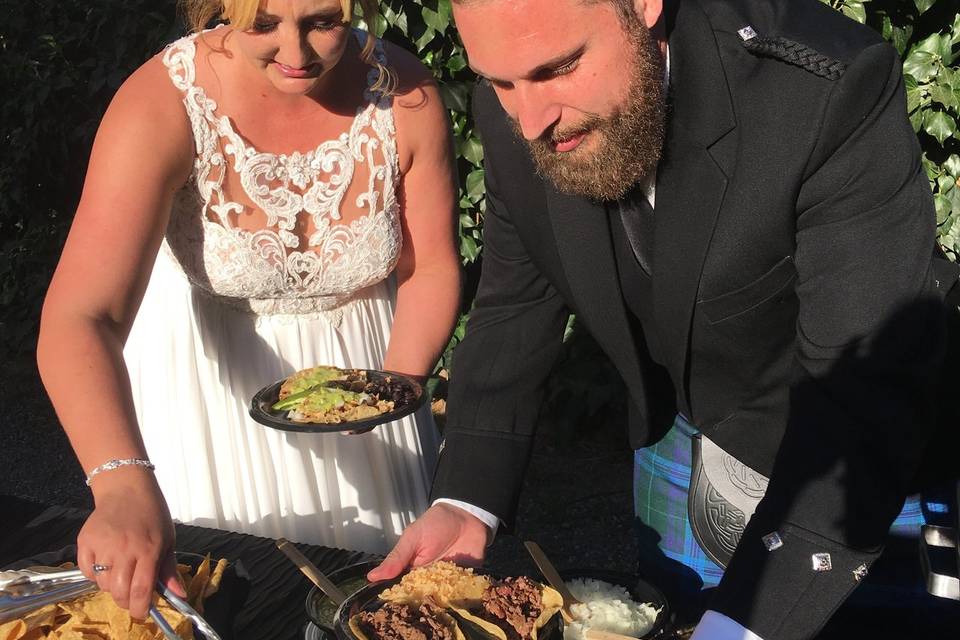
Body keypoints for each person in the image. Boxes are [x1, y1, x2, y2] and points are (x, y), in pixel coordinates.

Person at [369, 0, 957, 638]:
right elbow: (516, 300)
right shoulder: (517, 105)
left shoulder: (819, 91)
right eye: (499, 81)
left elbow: (859, 394)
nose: (529, 121)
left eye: (559, 67)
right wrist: (466, 500)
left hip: (868, 470)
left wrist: (744, 625)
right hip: (686, 434)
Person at [36, 0, 460, 620]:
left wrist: (393, 382)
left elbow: (432, 269)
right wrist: (120, 482)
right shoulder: (164, 101)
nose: (296, 53)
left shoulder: (405, 93)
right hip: (211, 410)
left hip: (371, 395)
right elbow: (81, 317)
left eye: (324, 22)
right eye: (263, 24)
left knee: (375, 613)